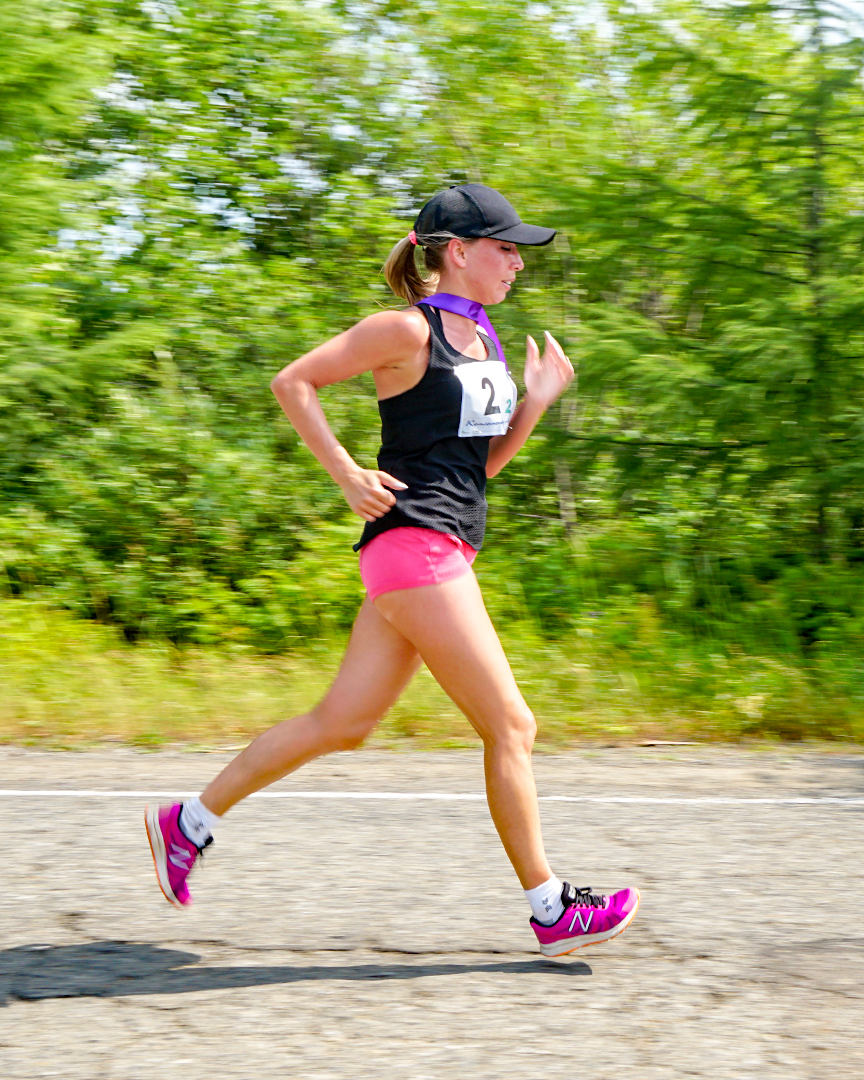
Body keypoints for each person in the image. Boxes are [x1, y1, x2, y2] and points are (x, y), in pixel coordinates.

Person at [144, 183, 638, 958]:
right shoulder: (404, 331)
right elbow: (293, 381)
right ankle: (550, 907)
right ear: (458, 251)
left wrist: (534, 404)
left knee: (342, 725)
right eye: (505, 247)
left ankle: (190, 822)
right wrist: (344, 472)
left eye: (518, 250)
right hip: (416, 547)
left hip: (433, 547)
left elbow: (477, 472)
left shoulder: (486, 343)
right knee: (512, 725)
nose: (516, 262)